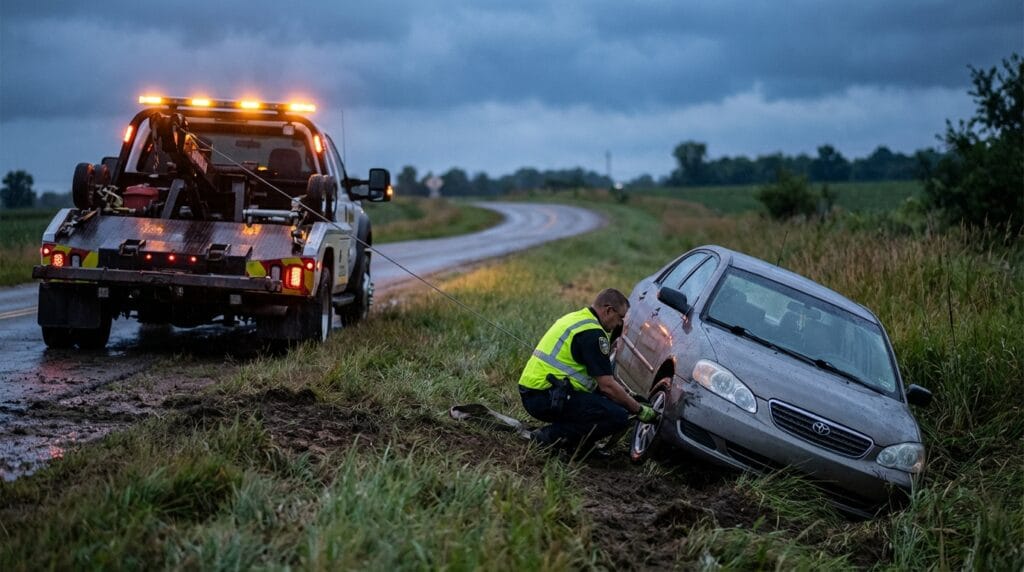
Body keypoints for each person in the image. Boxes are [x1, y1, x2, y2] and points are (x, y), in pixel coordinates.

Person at [518, 288, 658, 454]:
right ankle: (550, 437)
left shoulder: (577, 318)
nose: (620, 324)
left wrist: (628, 396)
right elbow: (607, 386)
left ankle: (577, 443)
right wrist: (638, 409)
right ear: (608, 310)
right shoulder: (593, 334)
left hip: (536, 391)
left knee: (611, 404)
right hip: (545, 397)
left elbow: (599, 381)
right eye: (620, 317)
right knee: (617, 416)